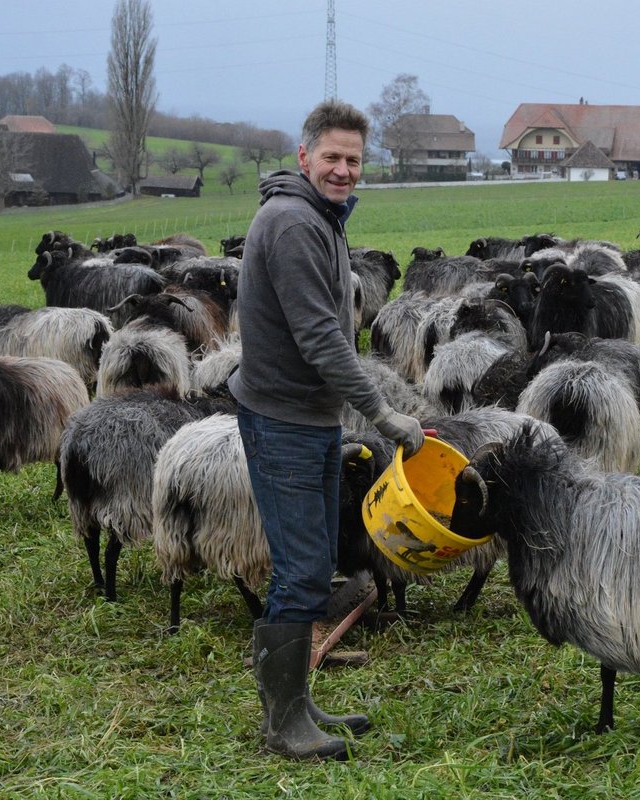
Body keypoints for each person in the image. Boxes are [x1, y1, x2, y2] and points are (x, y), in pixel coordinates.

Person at [227, 99, 425, 761]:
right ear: (304, 155)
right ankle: (283, 724)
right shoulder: (292, 222)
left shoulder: (319, 216)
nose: (344, 170)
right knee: (302, 573)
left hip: (307, 415)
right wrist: (384, 413)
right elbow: (319, 337)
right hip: (282, 418)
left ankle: (298, 702)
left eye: (354, 160)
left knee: (309, 566)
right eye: (333, 157)